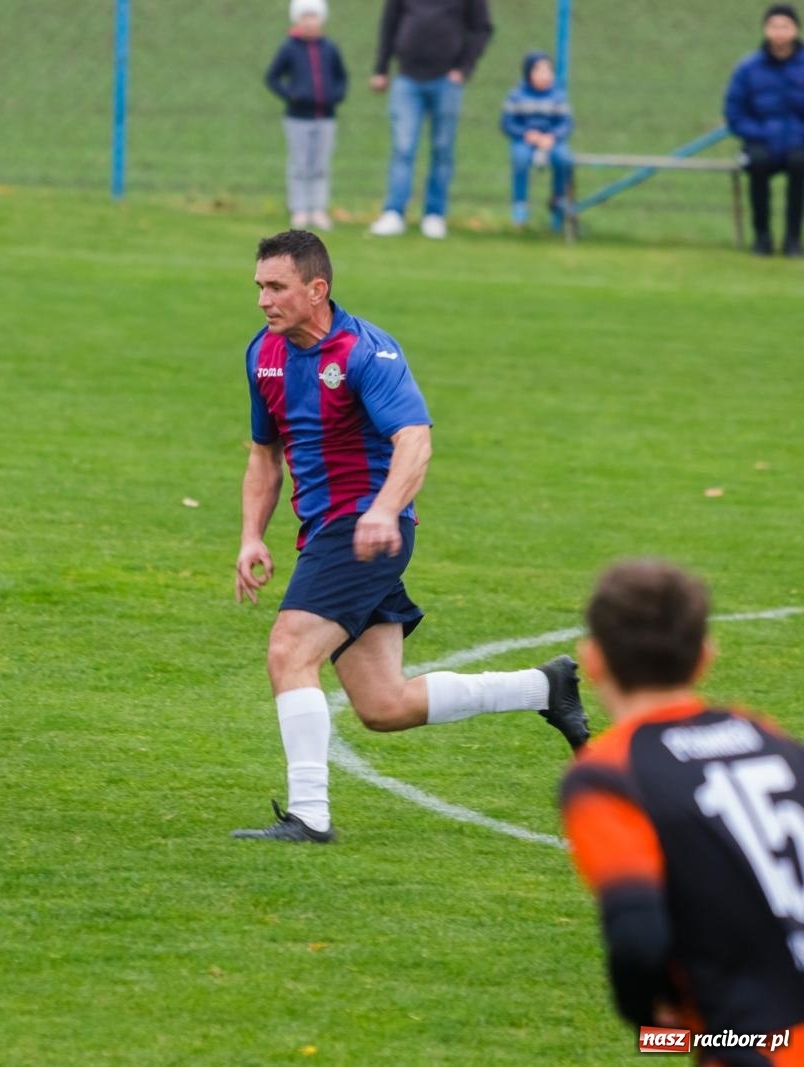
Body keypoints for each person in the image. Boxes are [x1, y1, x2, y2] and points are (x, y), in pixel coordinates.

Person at [232, 230, 587, 843]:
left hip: (367, 527)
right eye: (260, 287)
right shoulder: (263, 355)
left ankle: (310, 816)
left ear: (317, 290)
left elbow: (414, 441)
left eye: (277, 287)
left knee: (289, 651)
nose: (264, 300)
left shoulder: (368, 352)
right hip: (326, 530)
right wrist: (250, 538)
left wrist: (383, 509)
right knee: (383, 705)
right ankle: (543, 687)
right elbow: (266, 457)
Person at [561, 560, 804, 1059]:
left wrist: (649, 1022)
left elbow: (637, 935)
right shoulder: (770, 739)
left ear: (595, 659)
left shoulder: (608, 776)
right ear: (705, 658)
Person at [367, 0, 494, 240]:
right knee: (403, 147)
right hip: (407, 77)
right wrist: (381, 68)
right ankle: (394, 212)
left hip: (446, 80)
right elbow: (389, 23)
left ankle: (434, 214)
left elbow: (482, 28)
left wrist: (464, 68)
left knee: (442, 149)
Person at [724, 3, 804, 257]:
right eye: (774, 26)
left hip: (799, 140)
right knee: (757, 163)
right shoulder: (748, 68)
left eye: (785, 26)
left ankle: (793, 239)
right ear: (765, 29)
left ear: (796, 30)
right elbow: (734, 112)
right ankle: (762, 238)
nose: (779, 32)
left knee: (800, 164)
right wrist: (759, 133)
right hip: (760, 139)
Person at [265, 0, 348, 231]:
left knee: (320, 165)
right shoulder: (289, 48)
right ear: (297, 19)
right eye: (305, 17)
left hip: (325, 116)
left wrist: (336, 95)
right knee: (300, 164)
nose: (310, 22)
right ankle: (299, 209)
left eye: (314, 16)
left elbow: (341, 77)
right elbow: (272, 77)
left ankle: (318, 209)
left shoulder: (329, 48)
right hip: (297, 117)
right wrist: (291, 95)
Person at [500, 51, 573, 231]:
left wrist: (553, 136)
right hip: (525, 140)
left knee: (564, 159)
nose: (544, 75)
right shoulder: (517, 95)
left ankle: (558, 201)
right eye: (539, 71)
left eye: (548, 70)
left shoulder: (558, 96)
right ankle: (520, 206)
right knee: (520, 158)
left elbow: (566, 123)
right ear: (528, 73)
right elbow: (507, 122)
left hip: (551, 141)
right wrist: (526, 133)